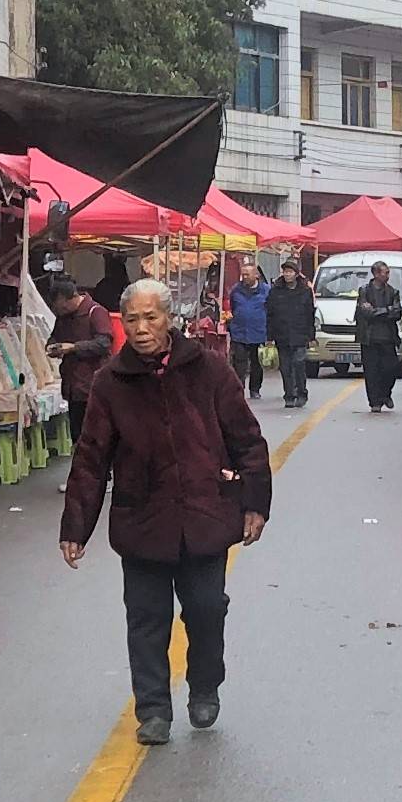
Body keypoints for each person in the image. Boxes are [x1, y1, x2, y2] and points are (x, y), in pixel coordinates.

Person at [60, 278, 273, 740]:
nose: (141, 328)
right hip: (143, 521)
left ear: (169, 318)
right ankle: (154, 710)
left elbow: (247, 440)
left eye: (150, 317)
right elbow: (91, 456)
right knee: (146, 619)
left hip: (205, 515)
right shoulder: (110, 383)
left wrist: (256, 503)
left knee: (206, 609)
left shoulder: (210, 370)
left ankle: (204, 687)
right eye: (132, 319)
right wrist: (76, 526)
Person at [43, 273, 112, 421]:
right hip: (72, 388)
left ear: (71, 298)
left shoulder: (96, 312)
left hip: (93, 387)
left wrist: (74, 347)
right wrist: (52, 346)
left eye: (62, 306)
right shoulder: (63, 317)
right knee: (77, 434)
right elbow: (56, 336)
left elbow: (103, 343)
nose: (60, 311)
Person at [262, 258, 319, 408]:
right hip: (282, 335)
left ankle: (301, 392)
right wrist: (269, 336)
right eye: (285, 272)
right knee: (285, 367)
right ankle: (289, 394)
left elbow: (309, 315)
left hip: (300, 335)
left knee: (299, 363)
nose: (287, 275)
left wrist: (311, 336)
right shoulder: (275, 291)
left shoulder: (305, 291)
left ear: (296, 274)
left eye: (290, 272)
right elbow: (270, 315)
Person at [354, 266, 402, 413]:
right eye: (385, 272)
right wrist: (385, 310)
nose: (388, 275)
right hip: (369, 338)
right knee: (371, 371)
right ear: (376, 274)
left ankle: (385, 394)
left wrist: (378, 310)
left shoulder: (393, 292)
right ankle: (374, 401)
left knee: (391, 368)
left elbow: (397, 312)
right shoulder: (364, 290)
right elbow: (365, 312)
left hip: (388, 337)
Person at [226, 264, 271, 396]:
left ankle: (255, 389)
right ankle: (239, 388)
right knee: (239, 362)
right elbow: (233, 308)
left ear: (256, 275)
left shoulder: (266, 291)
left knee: (256, 363)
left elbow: (271, 311)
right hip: (240, 332)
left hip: (259, 332)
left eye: (248, 274)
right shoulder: (236, 290)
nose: (245, 277)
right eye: (243, 274)